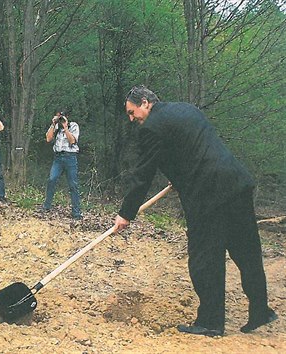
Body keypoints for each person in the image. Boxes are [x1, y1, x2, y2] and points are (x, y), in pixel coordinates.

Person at [114, 85, 277, 336]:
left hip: (208, 195)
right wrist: (178, 175)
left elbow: (143, 175)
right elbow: (194, 147)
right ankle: (260, 310)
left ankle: (211, 322)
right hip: (236, 182)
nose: (131, 118)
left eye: (131, 112)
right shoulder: (187, 110)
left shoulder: (151, 128)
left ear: (145, 102)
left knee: (205, 258)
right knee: (247, 252)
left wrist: (126, 213)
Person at [40, 110, 82, 220]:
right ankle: (46, 206)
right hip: (58, 158)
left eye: (62, 117)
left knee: (73, 184)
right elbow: (48, 138)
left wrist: (65, 127)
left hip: (70, 157)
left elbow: (72, 141)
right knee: (51, 180)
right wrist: (53, 124)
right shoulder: (56, 127)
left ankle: (76, 212)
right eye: (59, 116)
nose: (60, 119)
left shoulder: (73, 126)